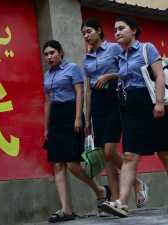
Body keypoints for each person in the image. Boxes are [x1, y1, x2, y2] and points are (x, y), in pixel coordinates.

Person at [100, 16, 168, 218]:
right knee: (130, 155)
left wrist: (158, 103)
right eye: (115, 30)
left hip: (151, 103)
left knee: (165, 152)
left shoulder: (146, 48)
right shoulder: (121, 58)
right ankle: (122, 202)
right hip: (132, 107)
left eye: (121, 28)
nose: (117, 33)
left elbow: (158, 76)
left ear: (133, 30)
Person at [81, 18, 149, 212]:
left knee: (110, 150)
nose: (86, 36)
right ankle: (119, 203)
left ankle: (137, 183)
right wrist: (88, 118)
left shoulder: (113, 49)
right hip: (97, 102)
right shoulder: (87, 57)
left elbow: (127, 70)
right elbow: (87, 89)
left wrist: (108, 76)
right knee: (105, 155)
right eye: (84, 33)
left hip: (114, 99)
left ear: (99, 31)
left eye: (89, 32)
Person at [42, 40, 110, 223]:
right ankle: (66, 209)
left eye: (52, 53)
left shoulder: (72, 69)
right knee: (57, 165)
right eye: (46, 54)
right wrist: (46, 127)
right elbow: (47, 102)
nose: (49, 57)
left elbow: (79, 92)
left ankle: (100, 190)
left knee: (72, 164)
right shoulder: (47, 75)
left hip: (71, 113)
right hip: (55, 117)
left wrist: (78, 118)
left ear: (61, 52)